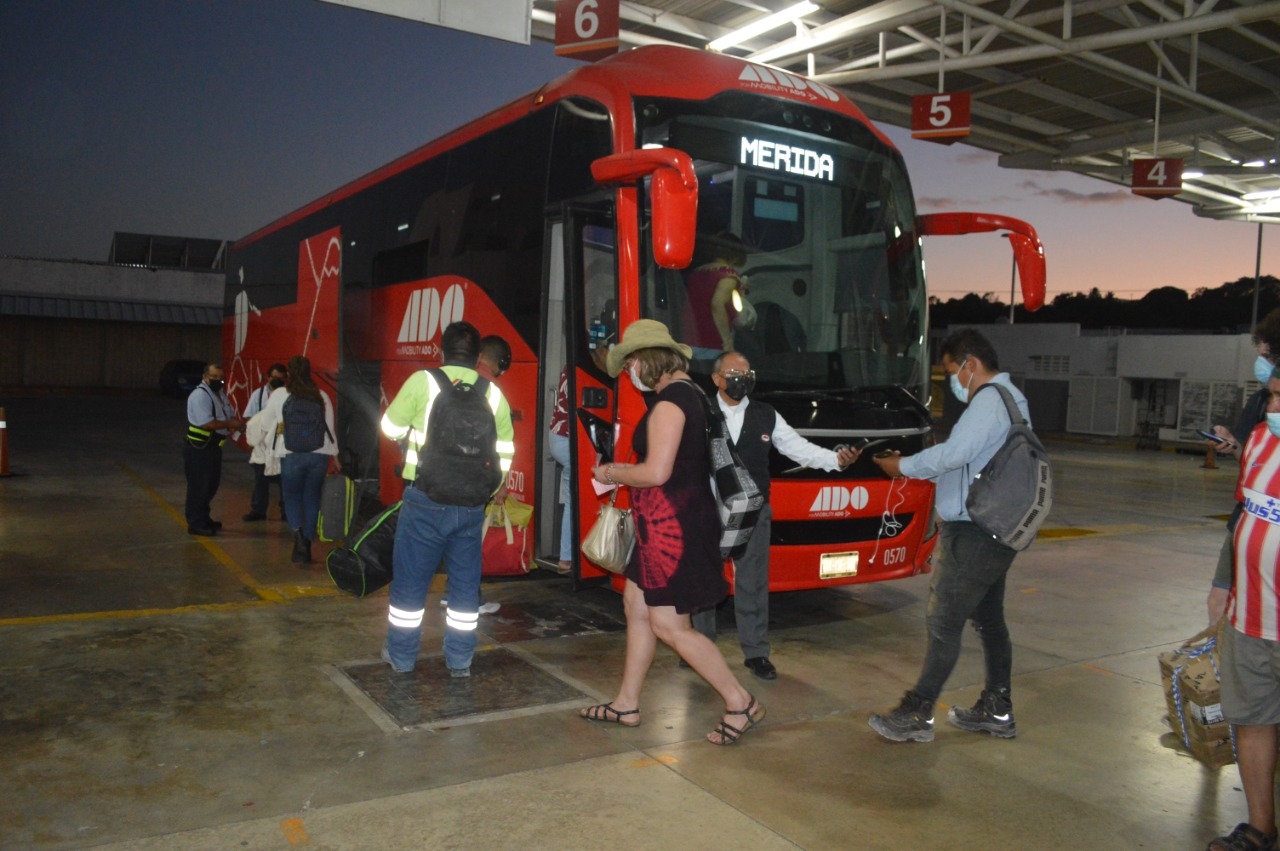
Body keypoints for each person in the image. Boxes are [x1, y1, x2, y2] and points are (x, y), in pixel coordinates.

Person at [579, 319, 765, 746]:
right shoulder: (694, 395)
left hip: (671, 533)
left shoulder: (669, 404)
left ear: (647, 361)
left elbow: (656, 471)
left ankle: (741, 702)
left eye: (630, 365)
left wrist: (610, 471)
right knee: (636, 605)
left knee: (669, 625)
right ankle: (626, 702)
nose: (628, 373)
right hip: (667, 526)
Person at [867, 328, 1029, 743]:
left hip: (976, 531)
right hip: (998, 527)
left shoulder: (989, 401)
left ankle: (918, 712)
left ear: (970, 365)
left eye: (952, 371)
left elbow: (954, 454)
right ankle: (997, 708)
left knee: (944, 620)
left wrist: (901, 465)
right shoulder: (1014, 400)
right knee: (990, 619)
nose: (952, 382)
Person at [692, 351, 859, 680]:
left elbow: (798, 447)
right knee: (704, 578)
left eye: (747, 372)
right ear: (716, 379)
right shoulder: (701, 412)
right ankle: (698, 647)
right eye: (734, 373)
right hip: (708, 507)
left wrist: (835, 459)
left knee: (752, 582)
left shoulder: (766, 415)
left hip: (754, 511)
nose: (742, 378)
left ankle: (756, 652)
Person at [380, 321, 515, 677]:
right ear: (477, 357)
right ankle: (459, 661)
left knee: (411, 584)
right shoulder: (493, 392)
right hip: (471, 505)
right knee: (465, 587)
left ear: (441, 351)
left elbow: (389, 428)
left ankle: (402, 657)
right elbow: (505, 452)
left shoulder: (423, 381)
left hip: (425, 498)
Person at [1204, 364, 1280, 851]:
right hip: (1251, 617)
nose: (1272, 409)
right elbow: (1246, 516)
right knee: (1253, 719)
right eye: (1272, 397)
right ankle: (1260, 828)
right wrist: (1222, 582)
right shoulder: (1259, 442)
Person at [1205, 308, 1280, 625]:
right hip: (1246, 522)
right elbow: (1249, 459)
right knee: (1219, 602)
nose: (1261, 357)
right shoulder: (1259, 402)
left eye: (1268, 349)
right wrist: (1233, 445)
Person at [260, 355, 338, 565]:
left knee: (292, 497)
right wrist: (335, 455)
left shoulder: (278, 395)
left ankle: (298, 537)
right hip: (319, 455)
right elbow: (329, 428)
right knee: (311, 498)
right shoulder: (320, 395)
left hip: (290, 453)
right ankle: (307, 543)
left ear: (289, 374)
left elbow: (266, 423)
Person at [548, 343, 613, 576]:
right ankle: (571, 557)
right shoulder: (586, 371)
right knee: (583, 494)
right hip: (567, 439)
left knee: (575, 493)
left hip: (558, 437)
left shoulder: (572, 366)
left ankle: (568, 557)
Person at [184, 362, 243, 536]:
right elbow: (208, 423)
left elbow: (228, 414)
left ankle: (203, 517)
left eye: (221, 378)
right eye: (214, 377)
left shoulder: (220, 394)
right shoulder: (200, 396)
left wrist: (233, 423)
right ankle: (195, 523)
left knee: (210, 485)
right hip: (199, 449)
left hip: (213, 449)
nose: (218, 380)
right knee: (199, 487)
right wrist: (230, 424)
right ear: (205, 377)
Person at [685, 232, 750, 358]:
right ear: (736, 255)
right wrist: (727, 342)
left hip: (691, 340)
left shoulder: (697, 272)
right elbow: (717, 303)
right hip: (713, 343)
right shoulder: (729, 275)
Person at [242, 363, 286, 522]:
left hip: (280, 444)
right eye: (275, 378)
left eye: (281, 379)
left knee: (284, 481)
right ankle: (258, 510)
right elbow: (249, 418)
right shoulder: (258, 395)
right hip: (262, 445)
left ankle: (286, 511)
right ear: (268, 377)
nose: (277, 381)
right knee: (260, 480)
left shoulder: (287, 395)